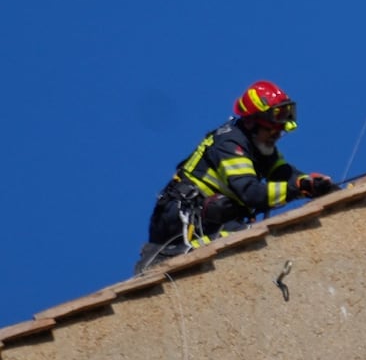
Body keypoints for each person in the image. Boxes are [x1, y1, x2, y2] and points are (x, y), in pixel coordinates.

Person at [134, 80, 337, 273]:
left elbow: (284, 174)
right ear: (252, 123)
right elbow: (251, 193)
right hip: (180, 219)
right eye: (271, 128)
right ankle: (163, 256)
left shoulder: (261, 145)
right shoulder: (230, 144)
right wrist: (298, 189)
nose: (278, 134)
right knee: (240, 232)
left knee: (244, 232)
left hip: (209, 218)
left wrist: (313, 185)